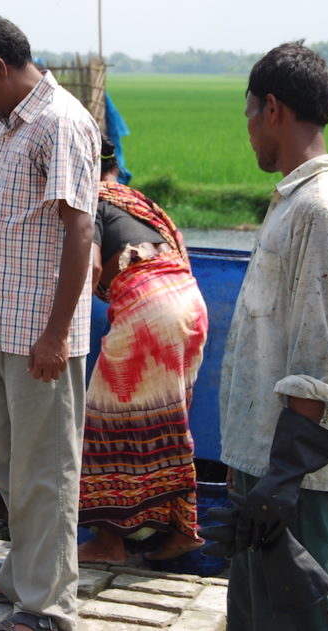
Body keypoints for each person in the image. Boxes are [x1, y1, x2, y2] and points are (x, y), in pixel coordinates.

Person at [0, 15, 99, 631]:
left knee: (46, 471)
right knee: (10, 468)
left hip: (40, 336)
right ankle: (22, 576)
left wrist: (56, 333)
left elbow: (79, 228)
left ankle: (49, 606)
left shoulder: (59, 123)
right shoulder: (10, 127)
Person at [214, 42, 328, 630]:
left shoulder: (320, 210)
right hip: (265, 457)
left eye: (248, 115)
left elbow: (315, 357)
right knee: (254, 614)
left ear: (271, 108)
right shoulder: (293, 202)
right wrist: (244, 462)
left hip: (293, 469)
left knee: (298, 615)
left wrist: (278, 481)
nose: (248, 132)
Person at [76, 135, 209, 565]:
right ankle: (180, 530)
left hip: (149, 309)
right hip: (189, 304)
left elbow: (92, 264)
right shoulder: (137, 201)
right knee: (164, 422)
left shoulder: (91, 199)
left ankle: (110, 544)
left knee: (103, 423)